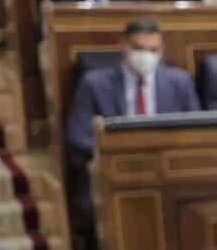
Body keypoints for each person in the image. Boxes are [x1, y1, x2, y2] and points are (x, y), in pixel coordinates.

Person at [65, 18, 201, 157]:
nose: (146, 56)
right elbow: (78, 136)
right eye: (138, 48)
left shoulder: (181, 82)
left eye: (153, 50)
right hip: (116, 162)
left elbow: (197, 131)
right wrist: (112, 154)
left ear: (161, 50)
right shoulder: (94, 83)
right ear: (123, 45)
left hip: (168, 161)